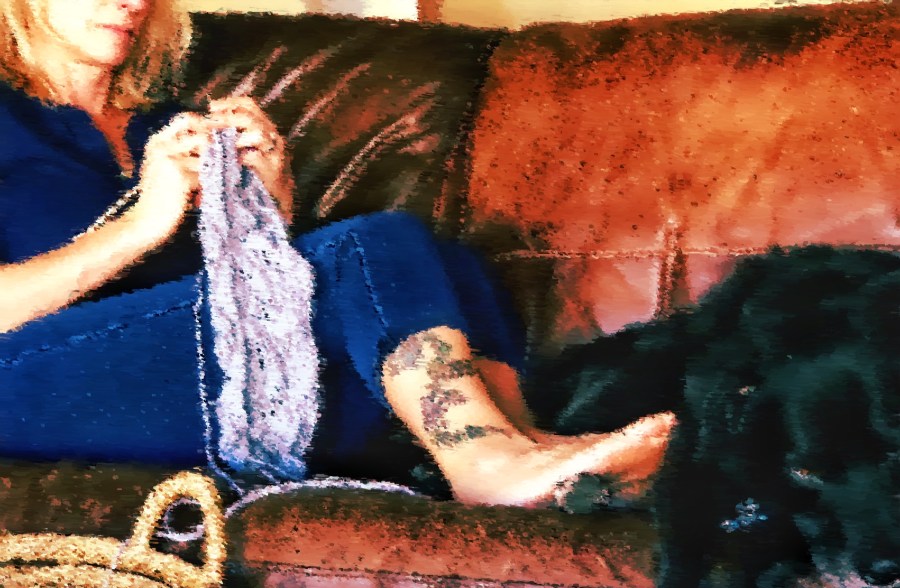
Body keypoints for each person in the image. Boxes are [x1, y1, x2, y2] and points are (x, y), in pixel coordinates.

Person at [0, 0, 674, 508]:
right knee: (371, 246)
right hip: (23, 383)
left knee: (446, 263)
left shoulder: (162, 122)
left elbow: (223, 297)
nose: (133, 1)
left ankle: (518, 443)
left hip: (170, 374)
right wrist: (141, 225)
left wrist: (271, 202)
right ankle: (484, 461)